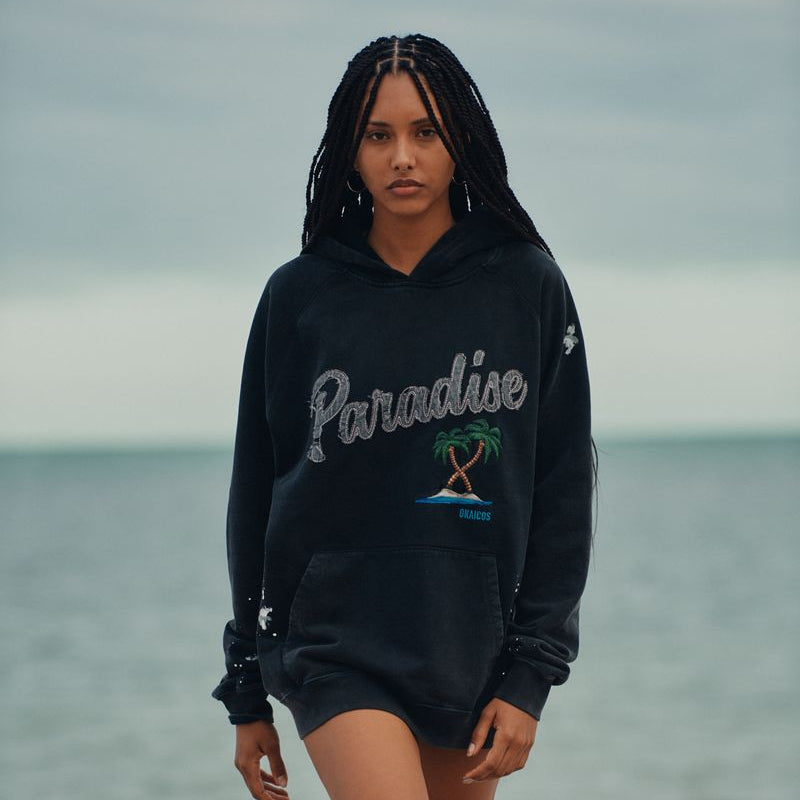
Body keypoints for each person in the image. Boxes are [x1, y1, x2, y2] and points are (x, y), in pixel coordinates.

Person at [211, 33, 599, 800]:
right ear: (348, 151)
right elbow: (255, 489)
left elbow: (563, 487)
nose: (402, 158)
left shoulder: (527, 286)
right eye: (377, 135)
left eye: (425, 132)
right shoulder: (300, 296)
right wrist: (245, 682)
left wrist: (531, 675)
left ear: (462, 139)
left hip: (468, 648)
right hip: (331, 645)